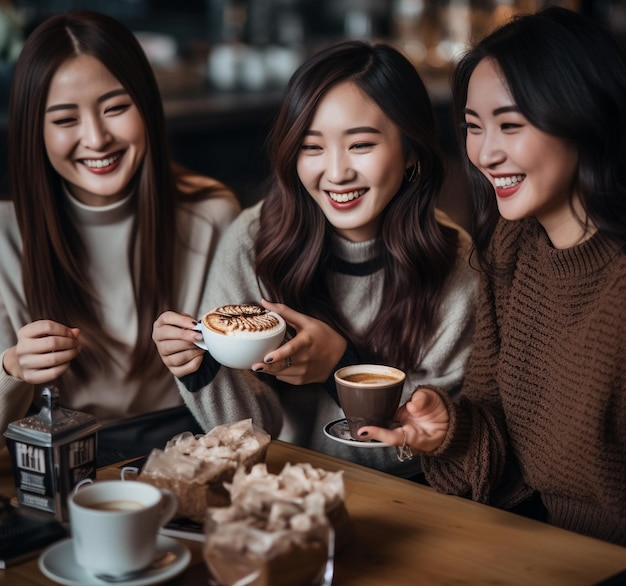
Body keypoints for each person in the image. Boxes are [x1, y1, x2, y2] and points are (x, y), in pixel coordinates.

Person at [359, 7, 626, 545]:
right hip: (540, 551)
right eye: (473, 128)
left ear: (583, 116)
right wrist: (448, 434)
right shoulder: (512, 248)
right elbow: (506, 450)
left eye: (510, 125)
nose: (485, 153)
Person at [152, 40, 479, 479]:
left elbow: (422, 447)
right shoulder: (256, 239)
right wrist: (198, 367)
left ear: (411, 153)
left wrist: (338, 367)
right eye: (312, 147)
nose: (336, 172)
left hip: (406, 500)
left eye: (360, 145)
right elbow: (245, 436)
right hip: (278, 491)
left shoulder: (457, 264)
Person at [0, 10, 240, 465]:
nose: (96, 138)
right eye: (65, 119)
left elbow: (245, 399)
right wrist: (12, 370)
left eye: (115, 108)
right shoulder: (4, 235)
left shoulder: (211, 214)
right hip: (59, 464)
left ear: (147, 105)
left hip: (194, 455)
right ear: (35, 131)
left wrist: (202, 364)